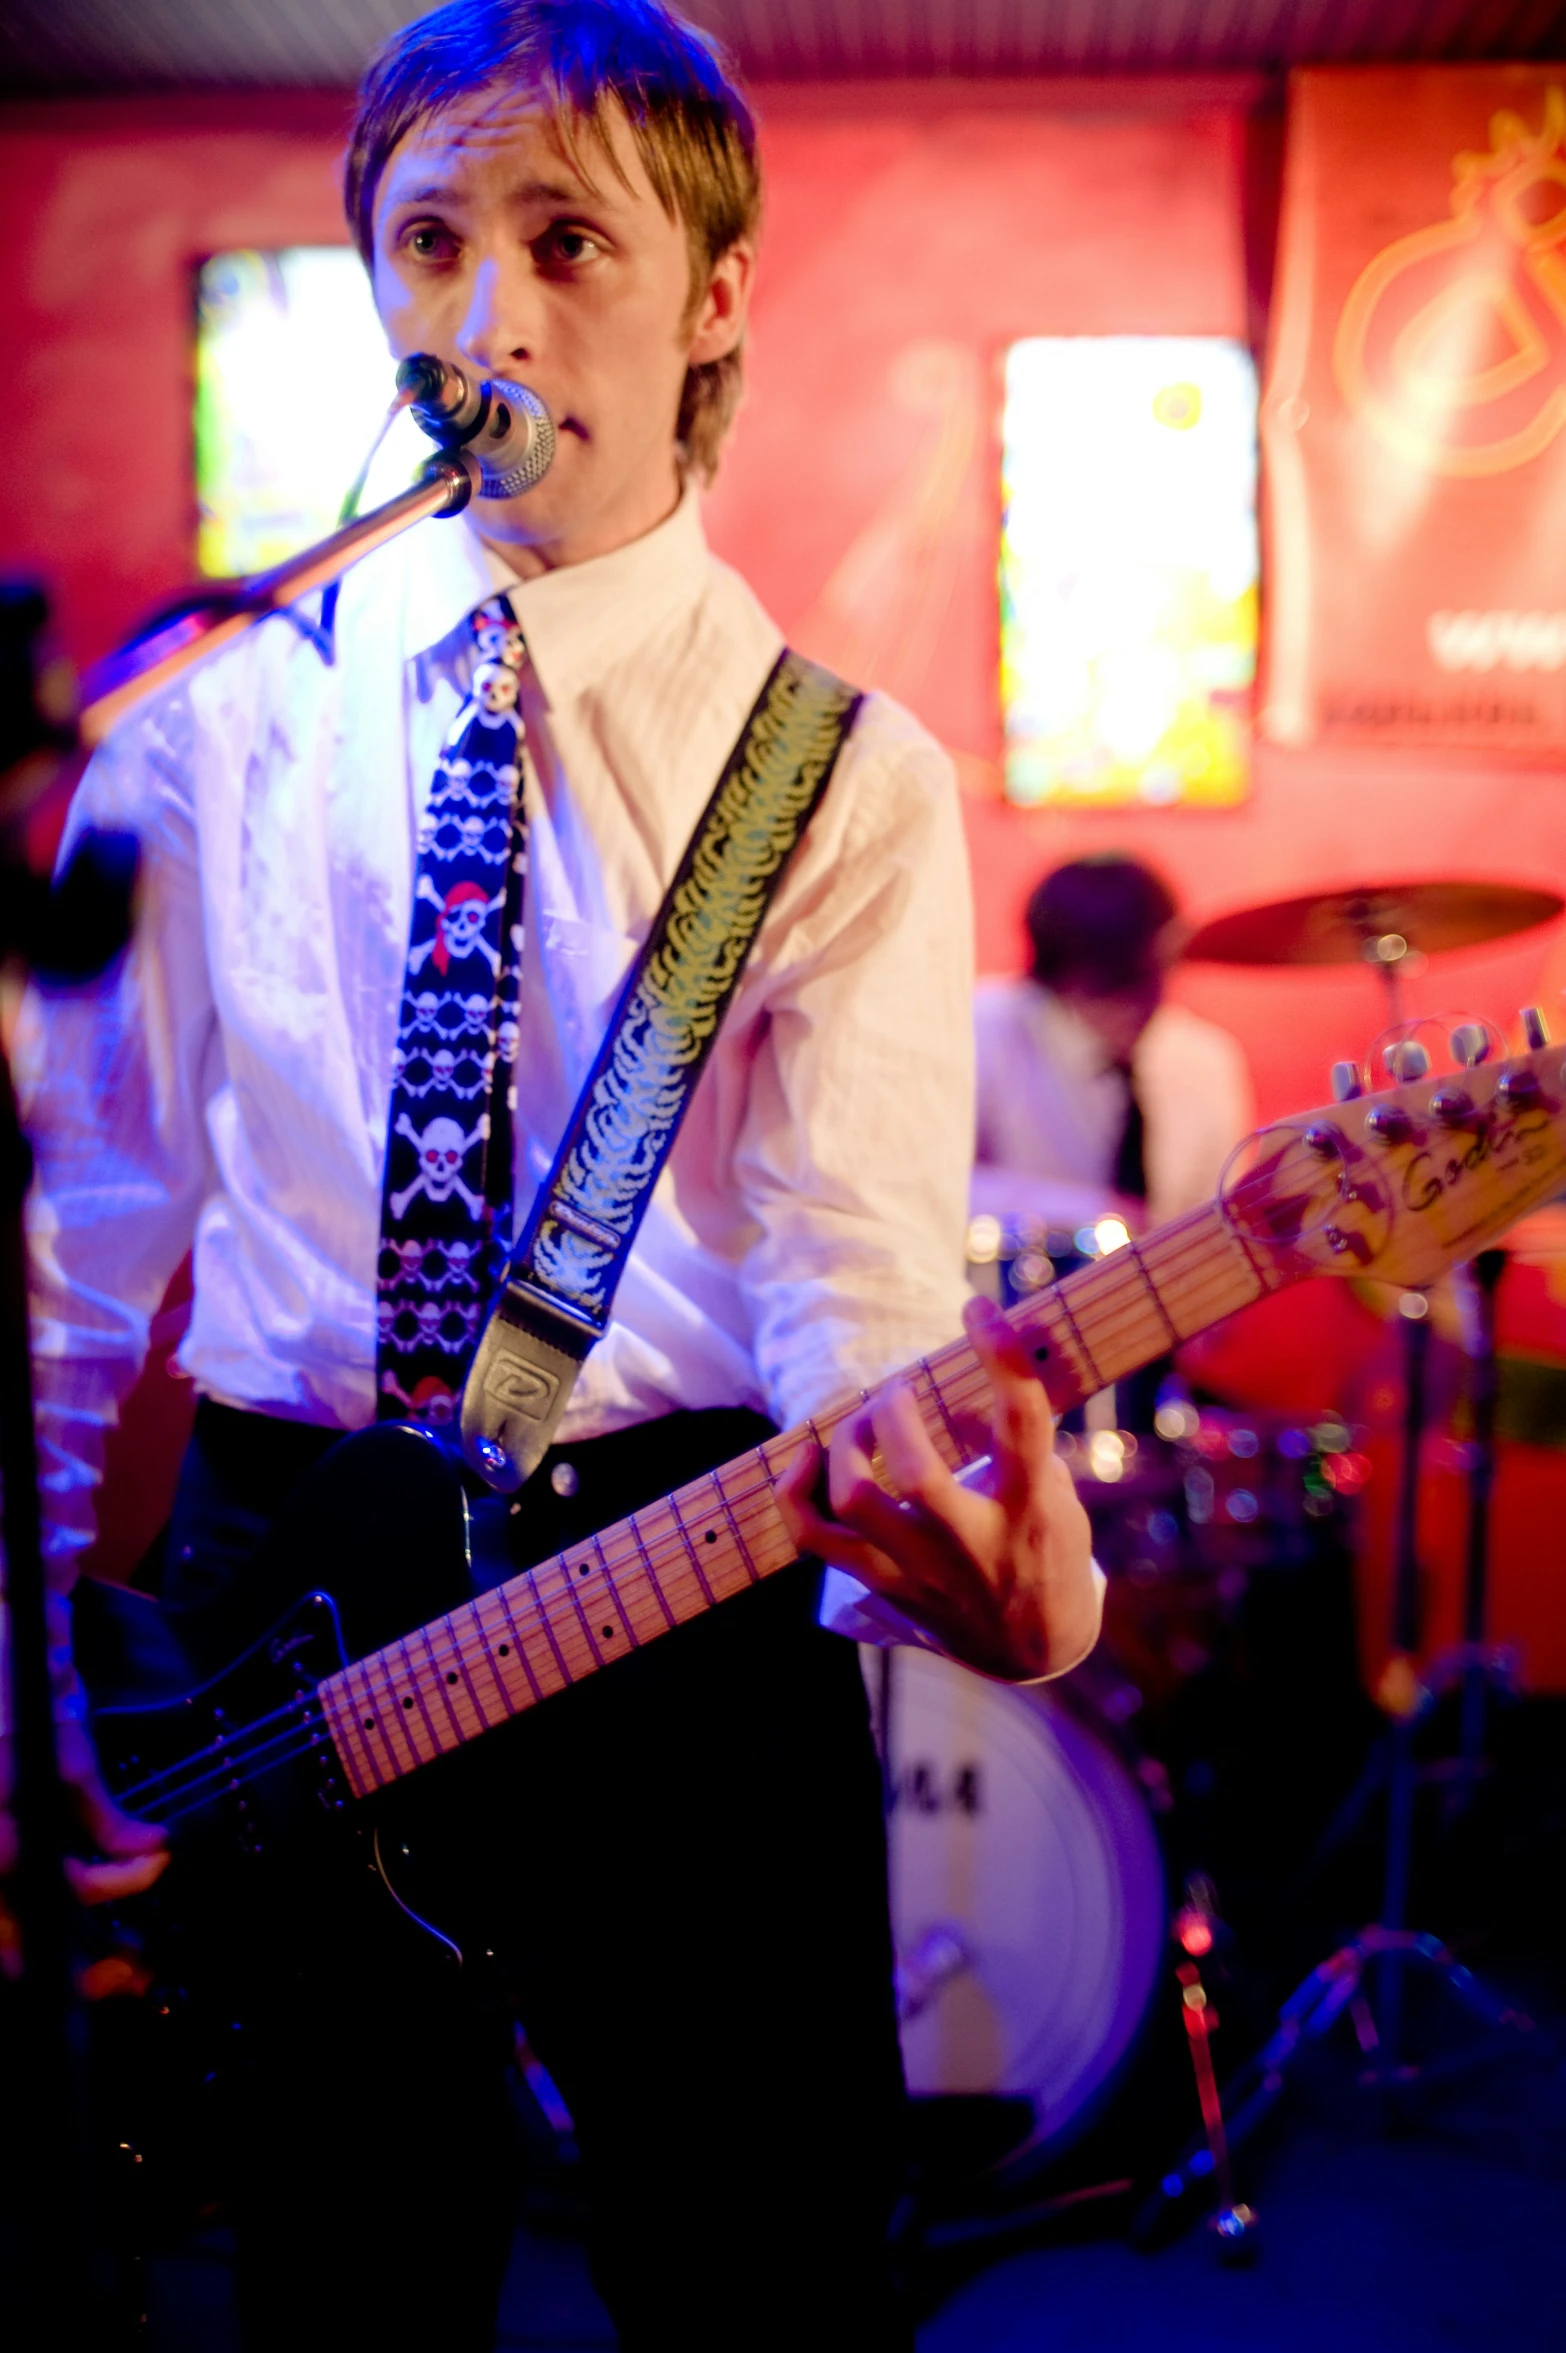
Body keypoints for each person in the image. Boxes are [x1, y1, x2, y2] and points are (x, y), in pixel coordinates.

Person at [0, 4, 1100, 2347]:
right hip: (286, 1606)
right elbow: (77, 1271)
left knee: (764, 2274)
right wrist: (23, 1696)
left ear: (713, 293)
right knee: (335, 2292)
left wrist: (972, 1570)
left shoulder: (844, 781)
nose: (481, 316)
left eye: (564, 237)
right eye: (425, 242)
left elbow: (851, 1292)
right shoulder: (199, 738)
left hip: (682, 1615)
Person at [973, 852, 1254, 1239]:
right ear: (1053, 977)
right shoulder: (985, 1030)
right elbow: (929, 1187)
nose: (1135, 1004)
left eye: (1148, 979)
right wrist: (1086, 1212)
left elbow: (1219, 1222)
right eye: (1107, 986)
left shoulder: (1204, 1058)